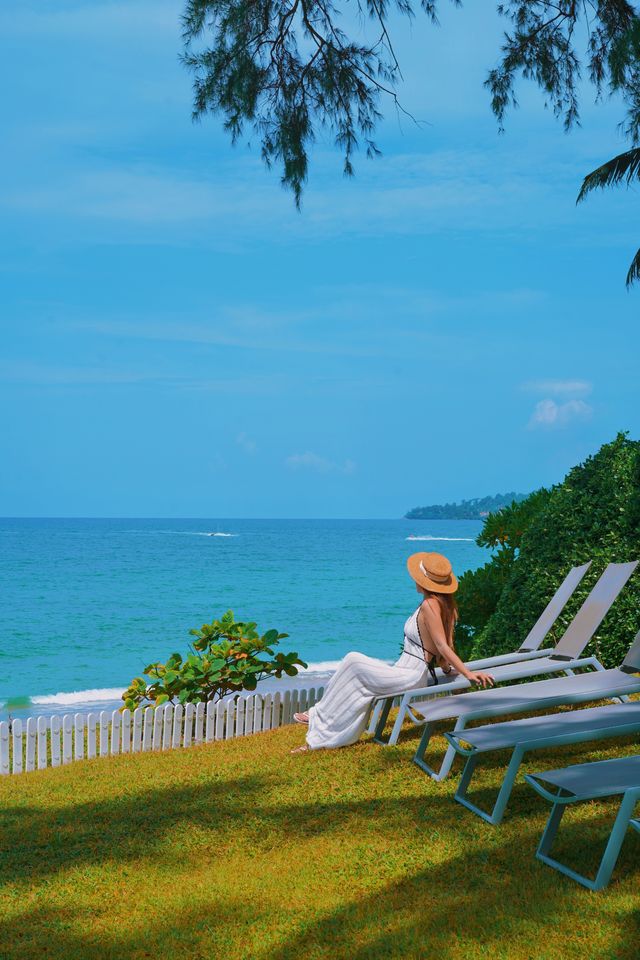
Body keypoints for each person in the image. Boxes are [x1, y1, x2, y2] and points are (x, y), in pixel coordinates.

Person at [290, 551, 494, 754]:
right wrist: (448, 670)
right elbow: (442, 651)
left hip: (409, 675)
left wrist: (466, 674)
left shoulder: (430, 605)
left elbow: (442, 646)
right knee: (353, 672)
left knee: (353, 660)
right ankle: (320, 722)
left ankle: (319, 722)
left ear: (424, 583)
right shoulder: (443, 605)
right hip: (404, 671)